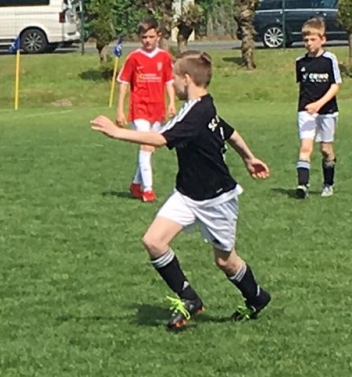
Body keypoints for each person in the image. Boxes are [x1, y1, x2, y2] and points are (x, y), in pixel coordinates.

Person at [91, 51, 271, 330]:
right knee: (153, 241)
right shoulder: (204, 106)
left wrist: (116, 132)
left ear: (186, 79)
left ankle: (257, 297)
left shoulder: (195, 113)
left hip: (217, 199)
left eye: (173, 77)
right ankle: (189, 299)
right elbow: (228, 131)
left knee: (225, 262)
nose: (171, 83)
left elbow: (160, 138)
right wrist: (249, 157)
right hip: (187, 194)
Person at [116, 18, 176, 202]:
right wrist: (120, 109)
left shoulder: (164, 57)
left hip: (157, 110)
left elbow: (169, 81)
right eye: (144, 37)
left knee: (150, 149)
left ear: (158, 36)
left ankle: (136, 184)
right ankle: (148, 190)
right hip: (139, 109)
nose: (148, 41)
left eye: (151, 37)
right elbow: (124, 82)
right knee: (145, 145)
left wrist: (172, 102)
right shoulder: (134, 57)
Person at [294, 17, 341, 198]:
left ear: (323, 39)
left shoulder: (329, 59)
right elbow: (303, 86)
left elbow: (335, 86)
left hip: (327, 111)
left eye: (313, 39)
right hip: (306, 110)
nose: (309, 43)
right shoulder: (300, 62)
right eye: (306, 40)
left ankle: (328, 183)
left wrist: (319, 104)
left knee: (325, 149)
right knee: (306, 147)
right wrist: (308, 106)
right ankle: (302, 185)